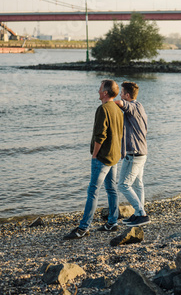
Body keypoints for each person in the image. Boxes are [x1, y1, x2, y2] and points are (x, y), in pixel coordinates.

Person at [64, 79, 123, 239]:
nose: (98, 91)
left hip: (103, 157)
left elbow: (100, 135)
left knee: (93, 191)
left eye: (99, 89)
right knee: (111, 189)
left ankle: (83, 228)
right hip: (114, 155)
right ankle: (112, 222)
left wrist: (94, 154)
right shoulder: (118, 109)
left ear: (105, 92)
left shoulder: (103, 109)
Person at [115, 81, 150, 227]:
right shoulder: (140, 106)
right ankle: (137, 214)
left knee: (123, 185)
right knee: (137, 185)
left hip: (134, 154)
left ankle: (141, 214)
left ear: (127, 95)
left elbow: (120, 104)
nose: (120, 95)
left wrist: (109, 100)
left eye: (121, 93)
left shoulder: (132, 107)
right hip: (141, 152)